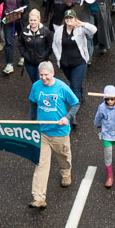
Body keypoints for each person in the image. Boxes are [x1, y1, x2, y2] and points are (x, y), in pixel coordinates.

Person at [28, 61, 79, 208]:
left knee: (63, 157)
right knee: (41, 165)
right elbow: (33, 104)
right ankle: (39, 197)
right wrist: (30, 122)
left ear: (53, 74)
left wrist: (67, 117)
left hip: (60, 133)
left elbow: (76, 104)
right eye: (41, 75)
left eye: (46, 75)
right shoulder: (36, 86)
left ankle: (65, 172)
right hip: (43, 133)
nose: (43, 78)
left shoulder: (62, 88)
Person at [51, 9, 96, 122]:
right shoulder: (60, 30)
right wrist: (58, 58)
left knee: (74, 86)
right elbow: (54, 45)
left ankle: (72, 114)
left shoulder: (80, 29)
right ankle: (80, 92)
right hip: (65, 64)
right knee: (74, 83)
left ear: (75, 19)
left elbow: (93, 30)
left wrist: (82, 24)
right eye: (67, 18)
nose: (69, 20)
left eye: (71, 18)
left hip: (79, 63)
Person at [0, 0, 29, 75]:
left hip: (19, 19)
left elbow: (27, 4)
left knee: (21, 38)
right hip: (8, 18)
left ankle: (23, 56)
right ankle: (9, 64)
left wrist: (24, 9)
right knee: (8, 42)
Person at [17, 9, 53, 91]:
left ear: (39, 20)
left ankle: (40, 101)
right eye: (31, 20)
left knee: (39, 82)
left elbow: (50, 45)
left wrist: (45, 55)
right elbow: (20, 44)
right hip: (29, 63)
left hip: (42, 63)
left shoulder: (45, 31)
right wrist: (24, 55)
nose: (33, 22)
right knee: (34, 83)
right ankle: (37, 99)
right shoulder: (24, 31)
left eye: (35, 20)